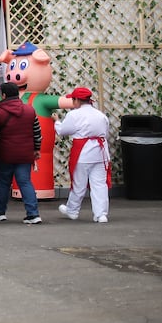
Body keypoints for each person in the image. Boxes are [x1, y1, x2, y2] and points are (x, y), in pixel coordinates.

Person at [0, 81, 43, 224]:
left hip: (4, 153)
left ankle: (0, 212)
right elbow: (37, 132)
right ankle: (33, 214)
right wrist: (37, 149)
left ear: (4, 95)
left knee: (2, 183)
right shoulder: (30, 110)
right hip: (25, 153)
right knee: (25, 182)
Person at [56, 87, 112, 223]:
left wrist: (56, 121)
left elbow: (63, 131)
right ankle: (101, 214)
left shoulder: (74, 115)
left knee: (78, 184)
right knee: (99, 184)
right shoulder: (100, 115)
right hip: (100, 154)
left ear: (76, 100)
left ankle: (72, 210)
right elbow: (106, 133)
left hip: (83, 153)